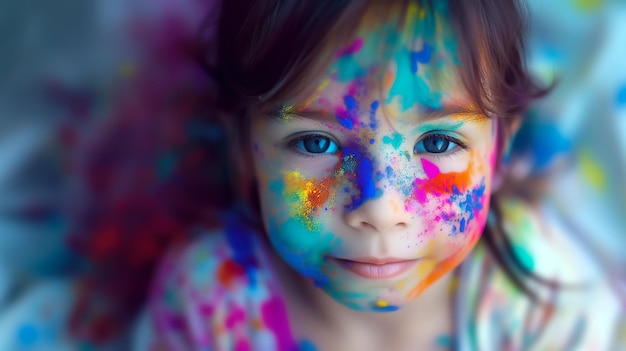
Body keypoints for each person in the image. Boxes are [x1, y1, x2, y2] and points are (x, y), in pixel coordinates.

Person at [141, 0, 625, 350]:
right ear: (243, 150)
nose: (379, 207)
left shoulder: (548, 302)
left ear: (499, 149)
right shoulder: (207, 301)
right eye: (314, 142)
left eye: (438, 143)